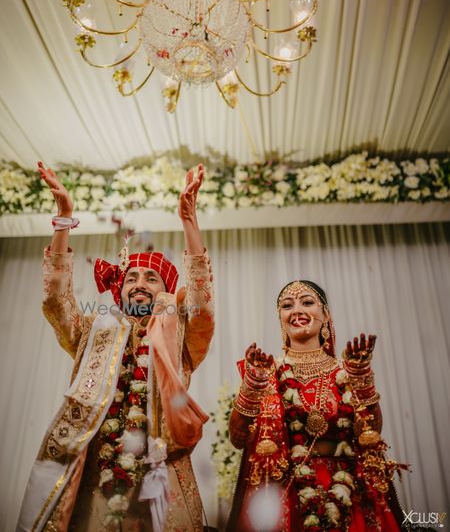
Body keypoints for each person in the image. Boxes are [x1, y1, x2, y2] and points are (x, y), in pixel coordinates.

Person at [17, 162, 214, 532]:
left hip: (163, 470)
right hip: (99, 473)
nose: (139, 283)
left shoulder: (181, 333)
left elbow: (201, 301)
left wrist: (189, 221)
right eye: (131, 278)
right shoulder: (94, 330)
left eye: (151, 278)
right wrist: (63, 219)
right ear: (119, 290)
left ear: (166, 291)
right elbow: (56, 301)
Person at [227, 280, 406, 531]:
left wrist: (362, 378)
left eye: (307, 302)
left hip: (349, 487)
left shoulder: (347, 369)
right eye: (287, 306)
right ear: (281, 318)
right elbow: (238, 439)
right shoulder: (267, 371)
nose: (297, 310)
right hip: (288, 491)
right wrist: (253, 386)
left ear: (326, 315)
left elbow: (372, 433)